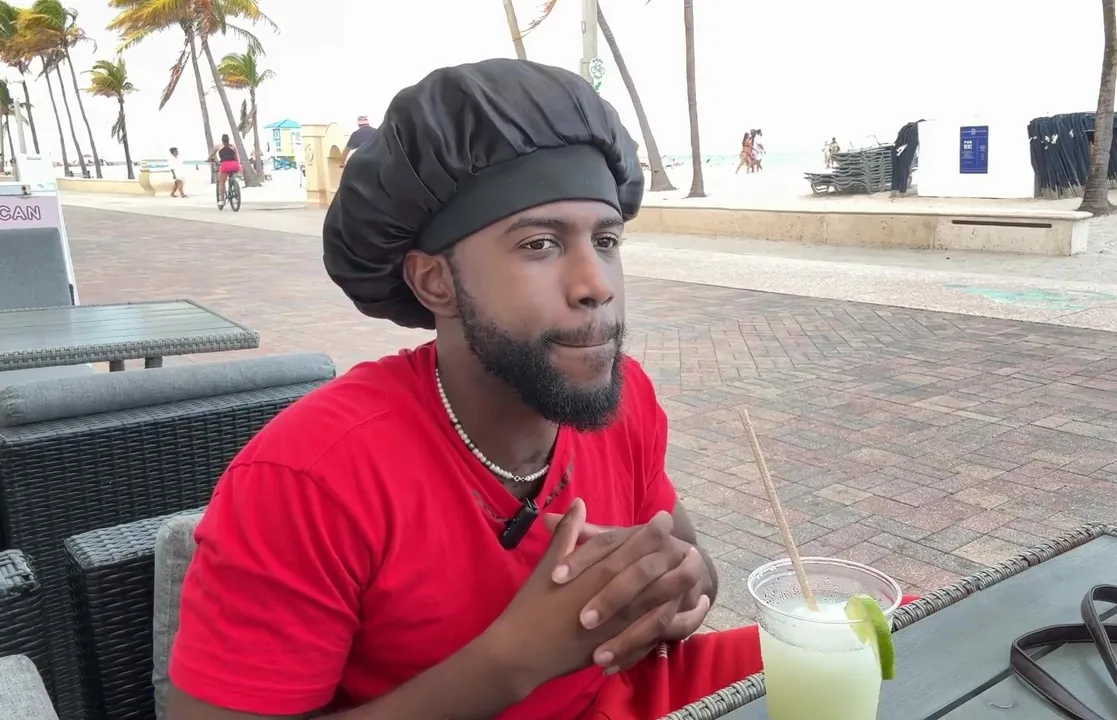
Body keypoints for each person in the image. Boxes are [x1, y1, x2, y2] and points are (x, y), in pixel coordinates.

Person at [164, 58, 764, 720]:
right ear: (435, 282)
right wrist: (513, 662)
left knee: (852, 654)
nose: (597, 284)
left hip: (630, 698)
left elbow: (687, 558)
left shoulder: (626, 398)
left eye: (606, 240)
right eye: (540, 244)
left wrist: (684, 584)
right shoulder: (313, 476)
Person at [208, 134, 240, 207]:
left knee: (221, 182)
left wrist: (208, 159)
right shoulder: (233, 147)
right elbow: (236, 157)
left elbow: (211, 155)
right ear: (228, 140)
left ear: (222, 140)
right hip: (235, 165)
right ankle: (234, 185)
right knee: (232, 177)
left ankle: (222, 200)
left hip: (225, 165)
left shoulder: (218, 146)